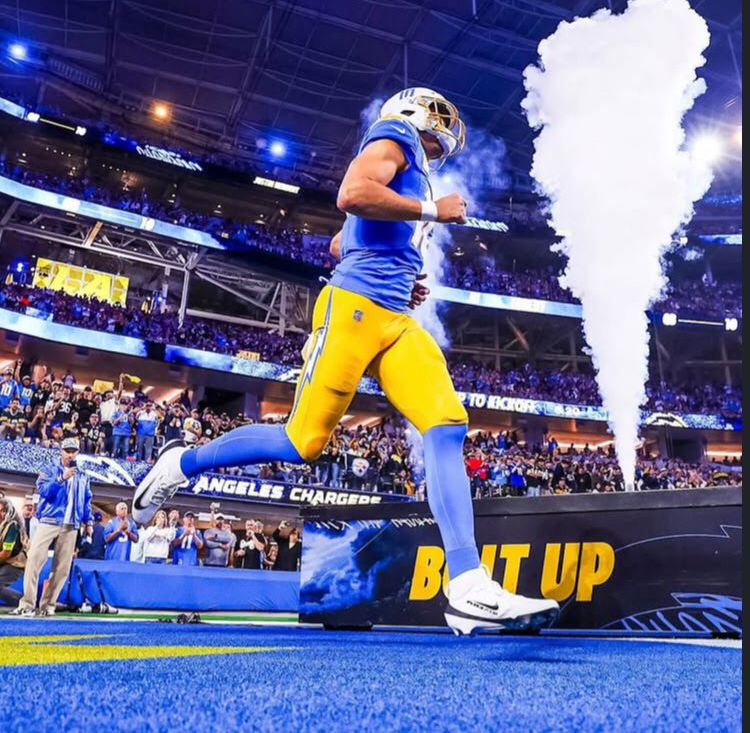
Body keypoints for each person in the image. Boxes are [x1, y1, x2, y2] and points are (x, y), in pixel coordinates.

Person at [133, 87, 558, 634]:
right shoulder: (396, 135)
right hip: (354, 311)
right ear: (414, 110)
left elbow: (340, 243)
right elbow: (353, 194)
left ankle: (467, 583)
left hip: (393, 316)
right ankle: (180, 464)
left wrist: (404, 273)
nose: (444, 125)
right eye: (438, 113)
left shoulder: (411, 165)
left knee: (448, 425)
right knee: (300, 443)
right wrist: (431, 211)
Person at [12, 436, 93, 616]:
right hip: (50, 520)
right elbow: (45, 492)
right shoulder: (49, 469)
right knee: (33, 558)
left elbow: (87, 500)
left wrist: (88, 522)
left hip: (71, 524)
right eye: (67, 451)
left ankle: (48, 606)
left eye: (74, 451)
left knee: (62, 567)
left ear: (78, 453)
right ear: (61, 451)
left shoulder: (83, 475)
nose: (70, 455)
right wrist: (61, 478)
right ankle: (27, 603)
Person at [0, 495, 27, 605]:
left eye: (2, 511)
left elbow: (6, 554)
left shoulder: (12, 526)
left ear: (8, 512)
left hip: (15, 563)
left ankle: (28, 602)